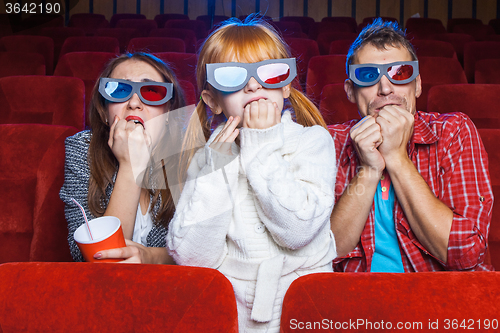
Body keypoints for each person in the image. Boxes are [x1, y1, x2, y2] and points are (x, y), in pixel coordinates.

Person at [166, 16, 337, 332]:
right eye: (232, 76)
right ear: (213, 101)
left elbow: (298, 229)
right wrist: (216, 168)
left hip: (307, 308)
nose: (253, 84)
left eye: (270, 72)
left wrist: (262, 143)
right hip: (233, 316)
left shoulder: (312, 141)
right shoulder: (208, 160)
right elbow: (192, 258)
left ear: (285, 85)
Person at [329, 18, 493, 272]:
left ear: (416, 85)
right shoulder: (330, 142)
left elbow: (465, 253)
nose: (385, 88)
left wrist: (396, 157)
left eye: (400, 73)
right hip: (354, 302)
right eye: (368, 75)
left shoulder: (454, 131)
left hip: (437, 301)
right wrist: (369, 170)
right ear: (350, 91)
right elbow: (323, 255)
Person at [60, 52, 186, 264]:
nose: (134, 103)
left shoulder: (191, 155)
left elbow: (209, 252)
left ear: (168, 112)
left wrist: (150, 257)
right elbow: (96, 260)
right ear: (103, 111)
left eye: (152, 92)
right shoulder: (82, 150)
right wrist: (130, 166)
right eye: (119, 90)